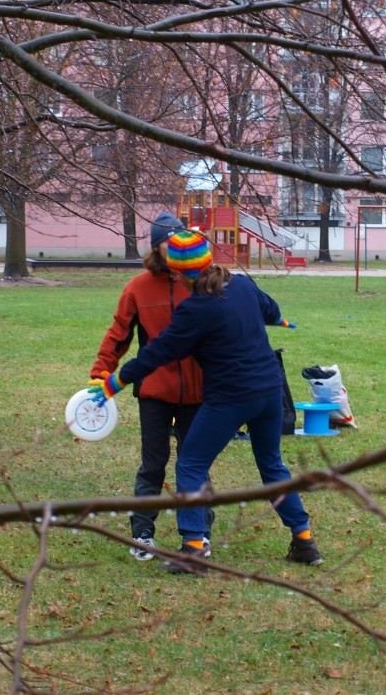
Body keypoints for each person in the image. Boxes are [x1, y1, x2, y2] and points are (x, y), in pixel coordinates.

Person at [90, 230, 323, 575]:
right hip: (270, 391)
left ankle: (193, 550)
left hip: (231, 397)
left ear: (179, 272)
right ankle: (304, 541)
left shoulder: (194, 308)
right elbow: (270, 309)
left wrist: (116, 381)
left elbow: (158, 352)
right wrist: (277, 320)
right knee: (273, 466)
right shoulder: (242, 286)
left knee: (190, 464)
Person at [90, 212, 213, 561]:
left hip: (198, 391)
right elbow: (119, 334)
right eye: (167, 243)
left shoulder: (201, 284)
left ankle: (201, 533)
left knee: (195, 463)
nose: (174, 248)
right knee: (153, 464)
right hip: (154, 391)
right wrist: (101, 372)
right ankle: (142, 533)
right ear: (156, 247)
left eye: (179, 240)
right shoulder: (138, 288)